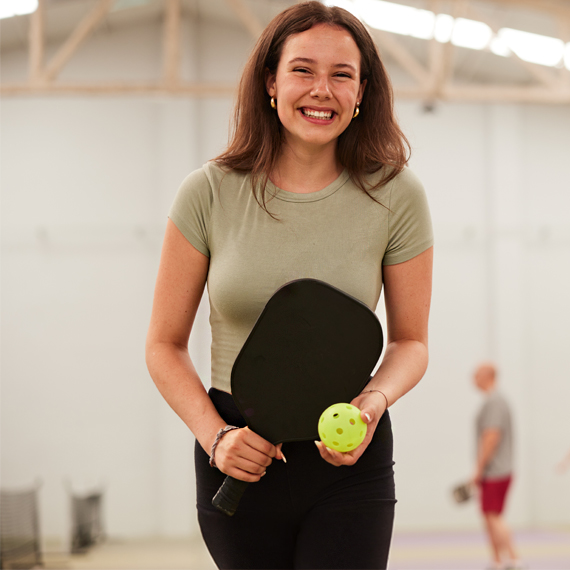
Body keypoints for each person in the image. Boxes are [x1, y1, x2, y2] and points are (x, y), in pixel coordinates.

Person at [145, 3, 433, 569]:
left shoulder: (398, 196)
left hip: (349, 462)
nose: (321, 89)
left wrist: (372, 405)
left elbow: (411, 342)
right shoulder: (207, 192)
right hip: (235, 457)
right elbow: (163, 345)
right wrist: (217, 437)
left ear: (362, 92)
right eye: (303, 69)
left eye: (342, 74)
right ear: (271, 82)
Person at [471, 362, 522, 570]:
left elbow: (491, 437)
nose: (473, 378)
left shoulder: (494, 402)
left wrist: (479, 469)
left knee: (493, 516)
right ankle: (498, 561)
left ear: (487, 375)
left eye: (476, 374)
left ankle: (513, 559)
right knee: (489, 516)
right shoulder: (494, 401)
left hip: (496, 471)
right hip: (496, 471)